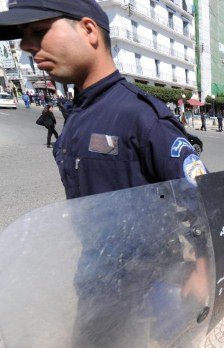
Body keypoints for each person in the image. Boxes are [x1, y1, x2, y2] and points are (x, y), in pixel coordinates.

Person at [0, 1, 209, 346]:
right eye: (24, 36)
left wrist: (201, 268)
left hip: (142, 289)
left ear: (88, 30)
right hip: (94, 280)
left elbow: (204, 194)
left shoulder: (141, 117)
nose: (27, 47)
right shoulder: (79, 112)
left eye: (38, 32)